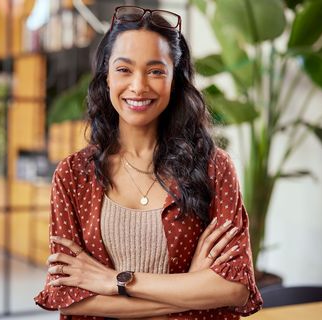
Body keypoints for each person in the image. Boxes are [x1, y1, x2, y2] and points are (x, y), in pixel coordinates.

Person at [34, 5, 262, 320]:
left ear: (175, 79)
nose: (139, 86)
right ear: (106, 76)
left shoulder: (213, 167)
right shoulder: (73, 175)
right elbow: (68, 297)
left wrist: (115, 281)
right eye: (124, 69)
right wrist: (190, 289)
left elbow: (235, 288)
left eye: (156, 71)